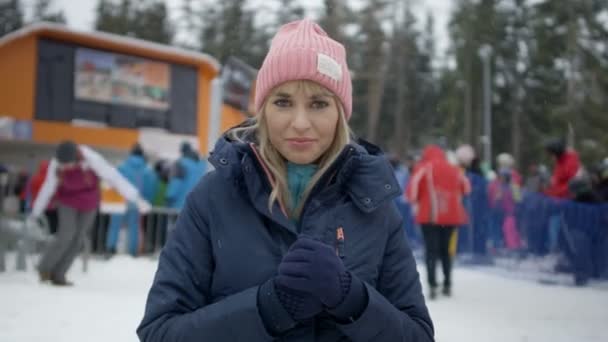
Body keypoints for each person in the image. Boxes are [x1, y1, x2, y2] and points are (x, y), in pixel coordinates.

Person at [138, 19, 433, 341]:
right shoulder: (213, 197)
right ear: (263, 110)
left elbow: (418, 336)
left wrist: (354, 301)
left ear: (340, 114)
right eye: (283, 102)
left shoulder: (373, 206)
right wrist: (266, 309)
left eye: (319, 104)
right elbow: (159, 332)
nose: (300, 123)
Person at [31, 141, 151, 286]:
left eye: (68, 164)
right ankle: (45, 268)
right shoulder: (57, 163)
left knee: (78, 238)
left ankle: (59, 274)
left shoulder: (91, 158)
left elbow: (114, 178)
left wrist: (137, 199)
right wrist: (36, 212)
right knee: (66, 234)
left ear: (76, 157)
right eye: (64, 165)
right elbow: (48, 187)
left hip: (89, 203)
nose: (66, 167)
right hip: (67, 201)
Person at [407, 145, 470, 299]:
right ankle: (447, 283)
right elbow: (466, 188)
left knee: (431, 251)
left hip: (430, 216)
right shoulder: (453, 168)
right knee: (446, 250)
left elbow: (412, 190)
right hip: (451, 216)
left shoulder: (424, 167)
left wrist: (417, 201)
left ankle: (432, 285)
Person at [105, 144, 157, 257]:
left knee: (115, 225)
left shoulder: (122, 167)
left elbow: (113, 183)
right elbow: (150, 188)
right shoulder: (146, 171)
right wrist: (147, 201)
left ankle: (110, 248)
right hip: (137, 202)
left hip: (120, 202)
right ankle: (133, 251)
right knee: (134, 227)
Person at [165, 142, 207, 210]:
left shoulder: (180, 164)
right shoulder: (204, 165)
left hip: (179, 206)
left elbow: (176, 183)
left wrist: (169, 198)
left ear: (182, 151)